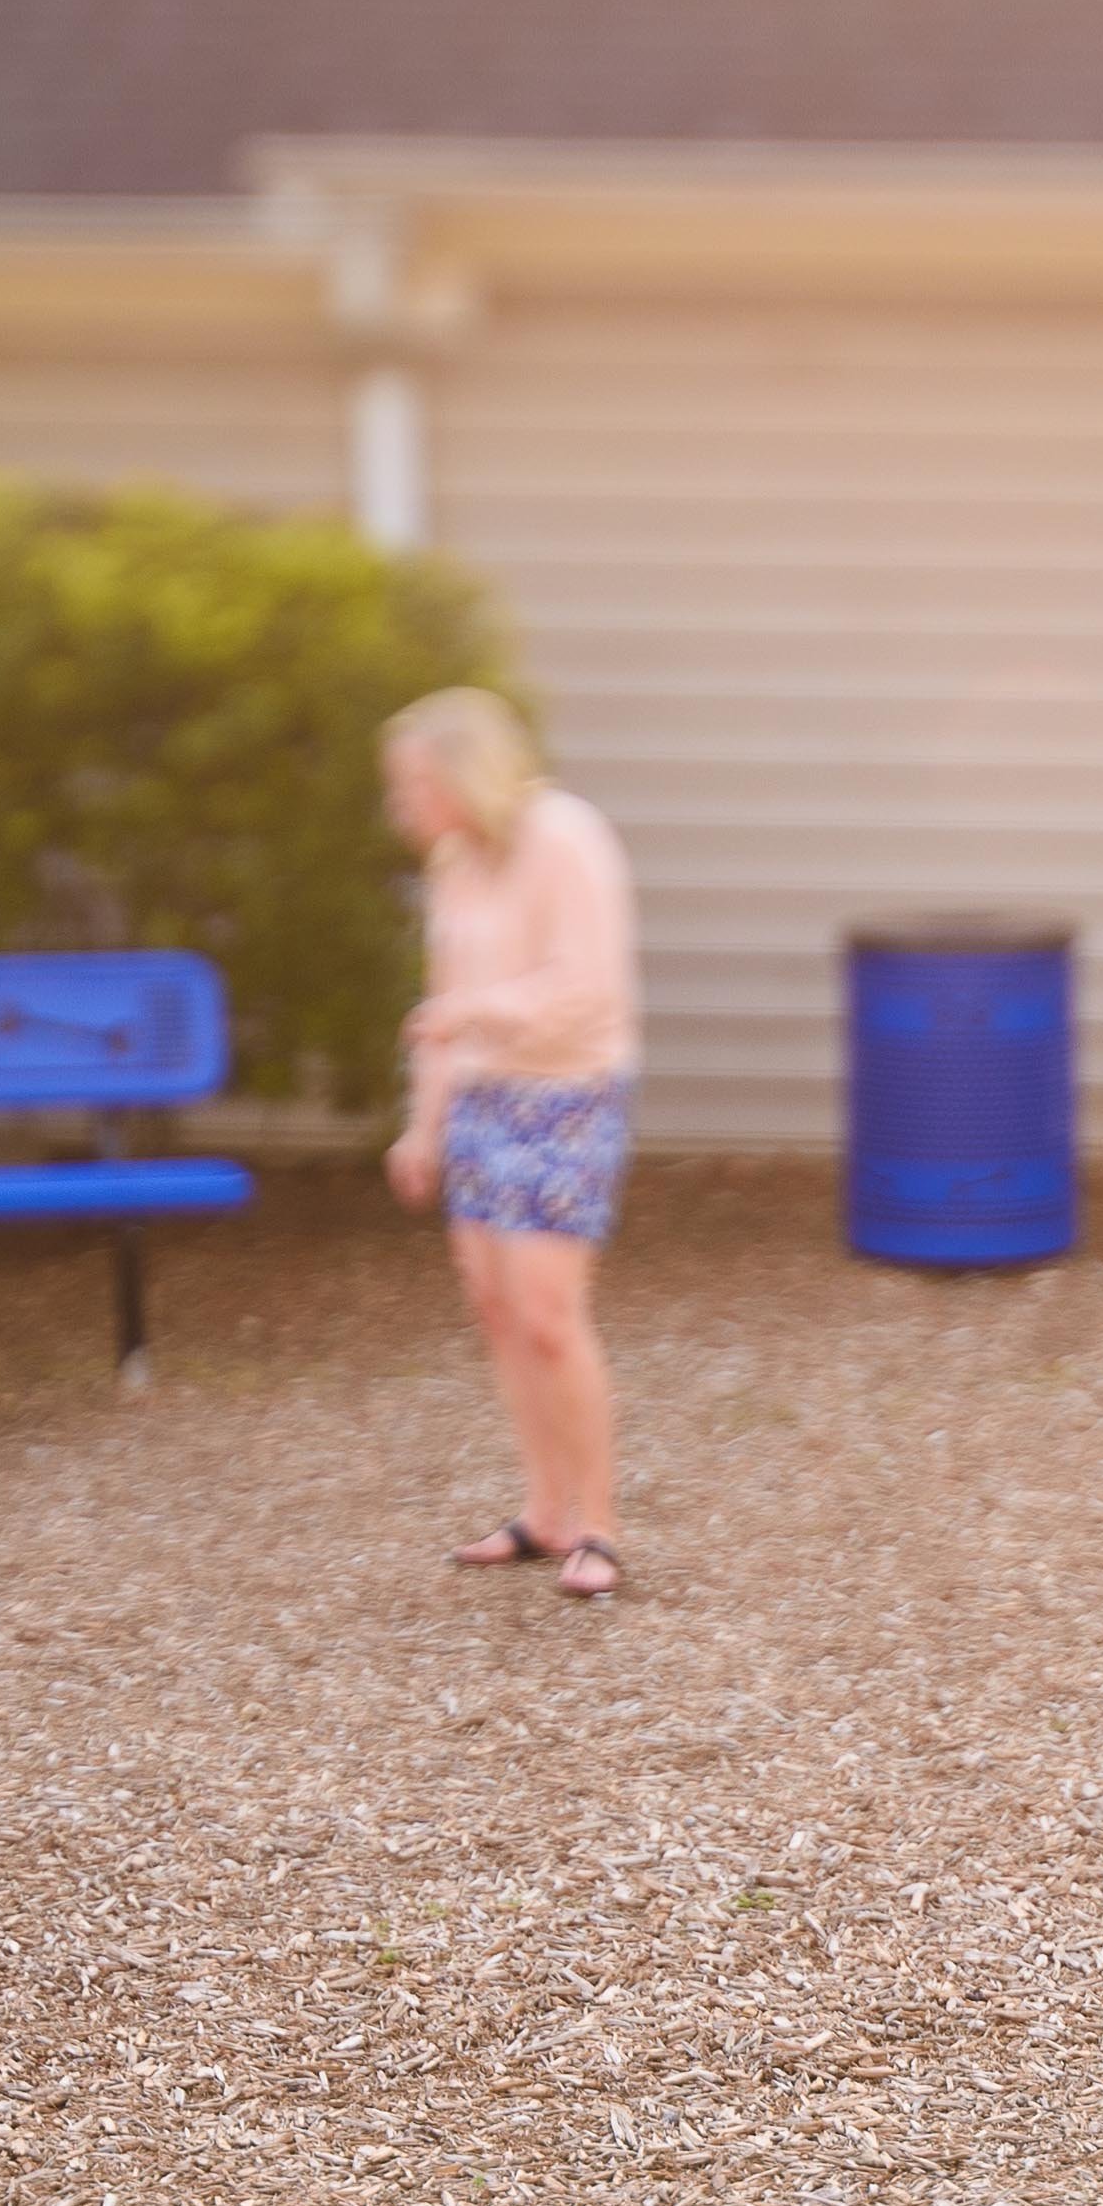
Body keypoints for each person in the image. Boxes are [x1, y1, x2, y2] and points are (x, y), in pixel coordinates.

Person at [383, 686, 639, 1601]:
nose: (399, 806)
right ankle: (545, 1515)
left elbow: (587, 987)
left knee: (546, 1310)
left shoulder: (564, 837)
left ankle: (601, 1523)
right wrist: (424, 1125)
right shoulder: (457, 863)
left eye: (411, 783)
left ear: (461, 773)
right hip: (483, 1099)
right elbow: (441, 1009)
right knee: (494, 1307)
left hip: (567, 1096)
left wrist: (474, 1012)